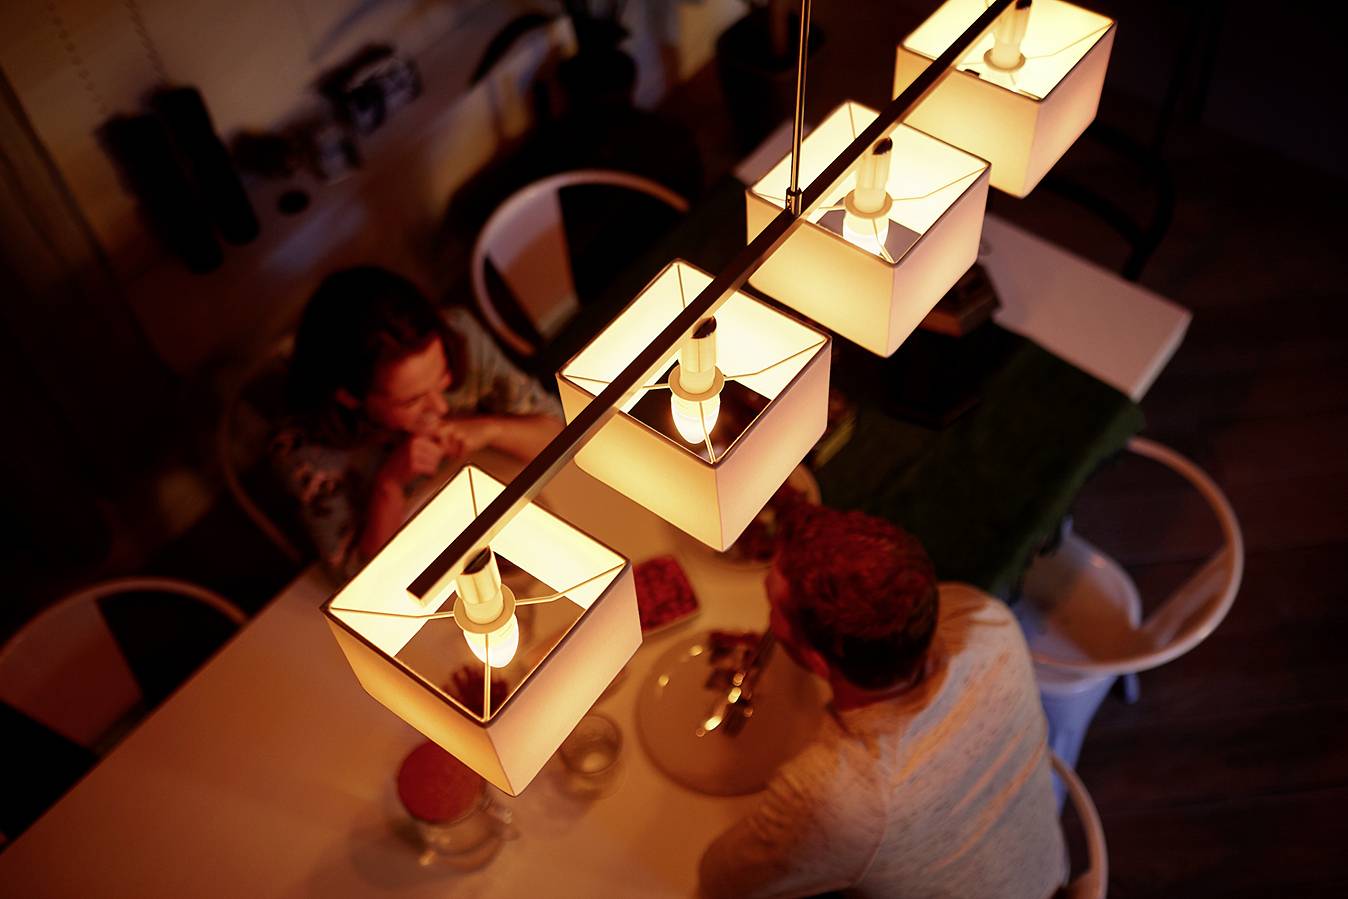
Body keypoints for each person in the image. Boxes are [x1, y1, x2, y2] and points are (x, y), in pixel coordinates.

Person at [699, 506, 1066, 899]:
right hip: (1047, 872)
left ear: (818, 660)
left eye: (774, 607)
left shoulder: (839, 797)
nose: (768, 618)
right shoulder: (989, 624)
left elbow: (720, 882)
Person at [271, 266, 563, 578]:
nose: (438, 406)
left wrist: (491, 428)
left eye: (443, 378)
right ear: (349, 397)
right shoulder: (304, 451)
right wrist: (390, 484)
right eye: (411, 400)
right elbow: (361, 579)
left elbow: (560, 432)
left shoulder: (459, 337)